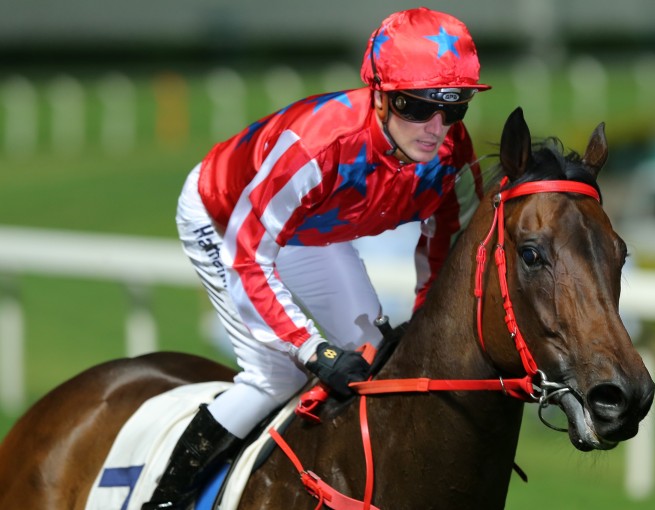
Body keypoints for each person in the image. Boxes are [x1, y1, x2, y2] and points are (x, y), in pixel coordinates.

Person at [142, 6, 491, 509]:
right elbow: (247, 255)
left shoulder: (450, 155)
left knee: (375, 357)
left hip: (308, 233)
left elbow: (446, 246)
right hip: (225, 221)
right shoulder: (320, 146)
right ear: (379, 95)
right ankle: (166, 499)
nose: (435, 129)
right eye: (415, 107)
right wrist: (310, 348)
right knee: (276, 375)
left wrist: (425, 322)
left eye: (453, 107)